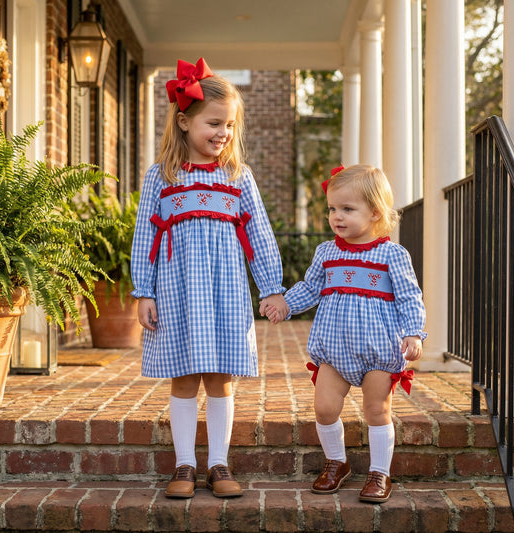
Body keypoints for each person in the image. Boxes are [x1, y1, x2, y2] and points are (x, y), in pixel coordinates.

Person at [131, 58, 288, 500]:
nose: (223, 133)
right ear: (184, 121)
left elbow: (259, 234)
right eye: (214, 122)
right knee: (183, 378)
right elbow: (146, 237)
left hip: (226, 294)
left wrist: (271, 286)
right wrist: (143, 291)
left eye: (230, 125)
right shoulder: (161, 179)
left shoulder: (238, 179)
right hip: (177, 292)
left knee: (221, 378)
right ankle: (184, 463)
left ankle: (218, 462)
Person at [265, 164, 427, 503]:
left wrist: (414, 334)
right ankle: (337, 462)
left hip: (378, 351)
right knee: (324, 408)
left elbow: (410, 296)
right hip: (334, 349)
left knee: (376, 410)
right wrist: (285, 304)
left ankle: (380, 472)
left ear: (375, 212)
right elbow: (310, 288)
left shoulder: (392, 255)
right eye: (332, 209)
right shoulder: (327, 252)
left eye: (347, 209)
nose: (336, 216)